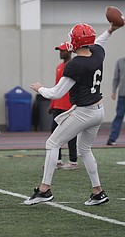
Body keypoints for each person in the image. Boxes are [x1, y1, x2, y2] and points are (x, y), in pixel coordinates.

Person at [24, 21, 122, 206]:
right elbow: (100, 41)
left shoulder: (75, 65)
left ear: (76, 41)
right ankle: (98, 192)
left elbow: (56, 93)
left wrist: (39, 88)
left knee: (52, 143)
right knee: (85, 149)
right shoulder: (98, 53)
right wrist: (110, 30)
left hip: (84, 112)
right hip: (99, 110)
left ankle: (44, 190)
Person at [48, 42, 78, 170]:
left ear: (70, 51)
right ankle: (58, 160)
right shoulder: (59, 67)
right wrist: (52, 104)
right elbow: (56, 87)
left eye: (62, 50)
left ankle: (73, 161)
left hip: (70, 105)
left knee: (71, 134)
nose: (60, 53)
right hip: (58, 106)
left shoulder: (74, 66)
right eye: (59, 50)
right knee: (54, 133)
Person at [106, 57, 125, 145]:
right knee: (119, 116)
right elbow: (116, 78)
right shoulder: (120, 62)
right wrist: (114, 91)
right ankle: (112, 138)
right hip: (122, 95)